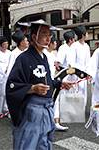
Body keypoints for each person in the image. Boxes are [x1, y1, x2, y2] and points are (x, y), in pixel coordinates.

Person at [6, 20, 73, 150]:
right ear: (34, 37)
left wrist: (59, 83)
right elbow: (12, 85)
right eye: (44, 35)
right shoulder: (24, 58)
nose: (48, 39)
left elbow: (46, 81)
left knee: (44, 143)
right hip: (32, 110)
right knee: (28, 143)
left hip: (46, 109)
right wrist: (32, 88)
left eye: (49, 35)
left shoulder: (44, 57)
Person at [43, 31, 68, 131]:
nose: (56, 44)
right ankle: (47, 122)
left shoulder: (52, 55)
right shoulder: (43, 54)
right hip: (45, 81)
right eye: (55, 43)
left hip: (53, 80)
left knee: (56, 100)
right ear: (51, 44)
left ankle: (56, 122)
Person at [68, 25, 90, 104]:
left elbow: (88, 61)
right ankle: (76, 111)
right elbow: (71, 60)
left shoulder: (86, 46)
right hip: (76, 72)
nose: (88, 35)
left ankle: (82, 109)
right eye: (87, 34)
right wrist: (74, 72)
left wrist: (88, 72)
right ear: (83, 35)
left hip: (84, 72)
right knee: (77, 91)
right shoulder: (74, 46)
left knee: (84, 92)